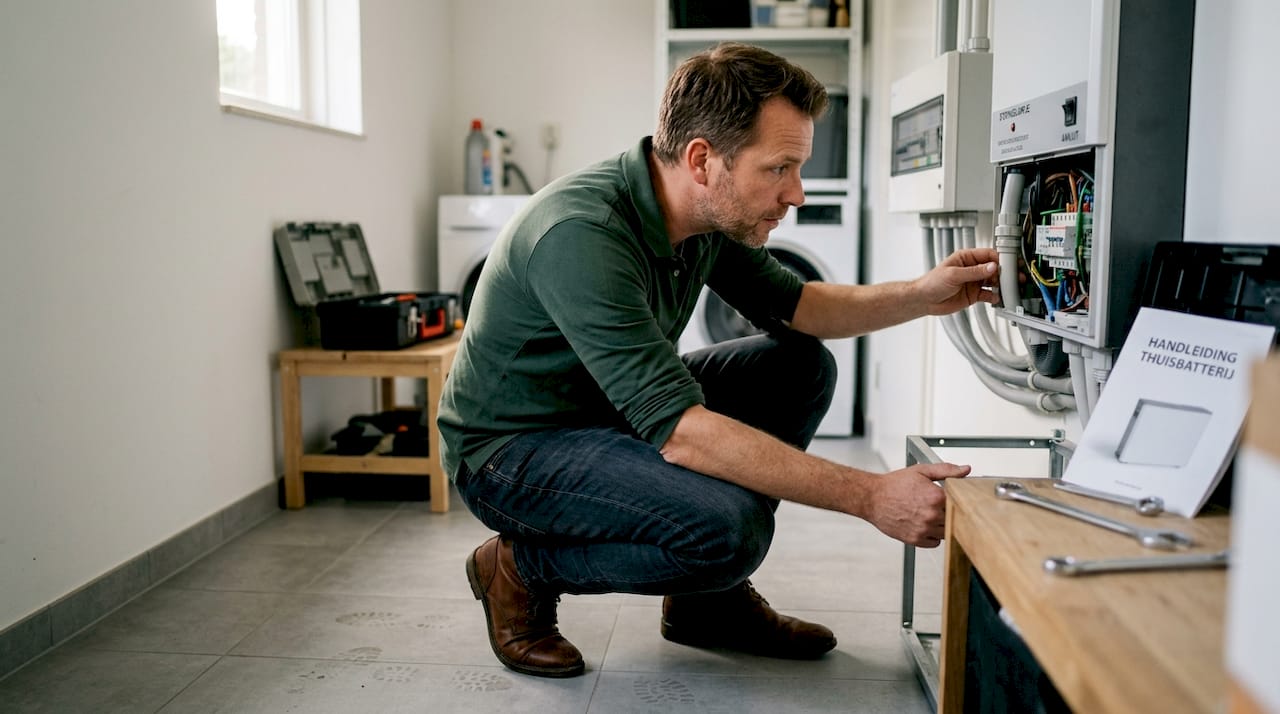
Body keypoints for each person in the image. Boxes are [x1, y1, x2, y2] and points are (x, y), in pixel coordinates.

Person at [437, 42, 1000, 679]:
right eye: (779, 168)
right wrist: (871, 495)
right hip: (512, 451)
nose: (797, 193)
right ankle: (518, 568)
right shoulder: (581, 233)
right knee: (728, 533)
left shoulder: (702, 215)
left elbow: (800, 305)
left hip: (607, 412)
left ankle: (705, 605)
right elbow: (681, 433)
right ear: (703, 160)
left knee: (801, 367)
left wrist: (923, 296)